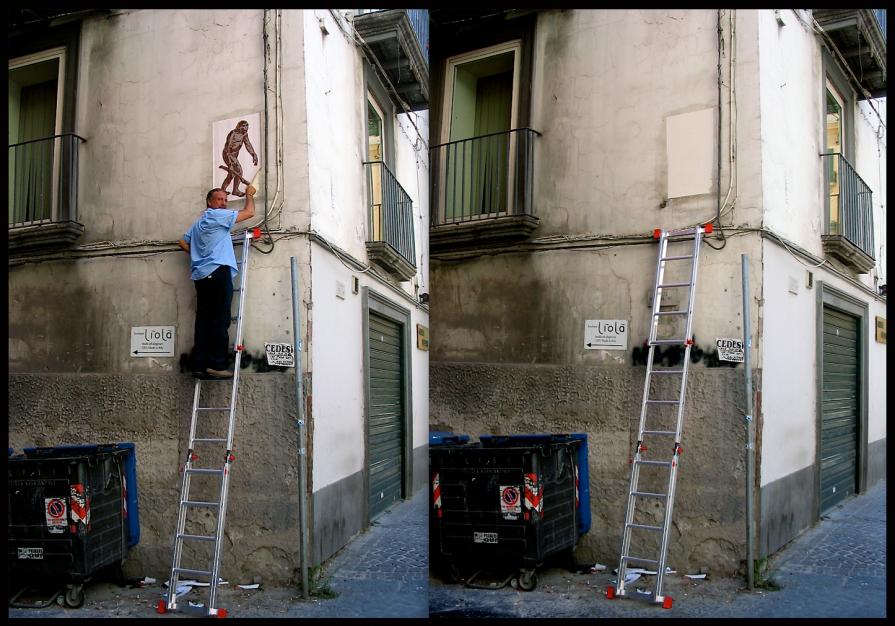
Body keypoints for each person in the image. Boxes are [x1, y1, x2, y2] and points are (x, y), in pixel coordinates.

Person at [178, 185, 256, 378]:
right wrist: (249, 195)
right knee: (220, 319)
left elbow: (182, 241)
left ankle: (199, 365)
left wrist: (196, 254)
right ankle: (217, 364)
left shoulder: (199, 223)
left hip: (201, 276)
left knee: (203, 321)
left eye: (225, 200)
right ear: (209, 202)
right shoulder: (217, 216)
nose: (223, 203)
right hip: (218, 271)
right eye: (219, 199)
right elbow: (249, 213)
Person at [219, 120, 258, 197]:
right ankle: (235, 190)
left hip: (234, 156)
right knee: (239, 170)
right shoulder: (233, 133)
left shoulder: (244, 135)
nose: (246, 129)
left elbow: (248, 145)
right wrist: (230, 163)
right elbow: (227, 148)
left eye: (247, 127)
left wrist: (253, 154)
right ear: (240, 127)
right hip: (228, 155)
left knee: (232, 173)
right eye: (244, 127)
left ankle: (222, 190)